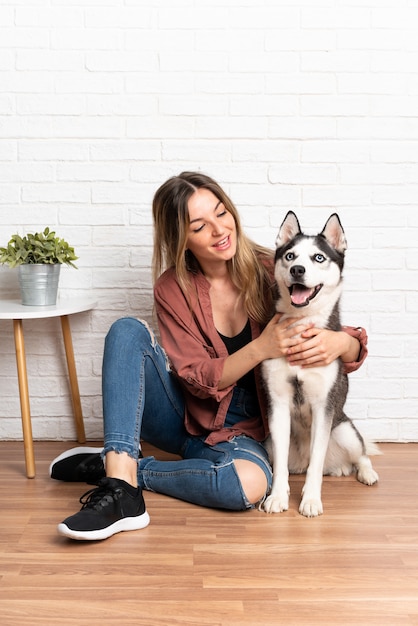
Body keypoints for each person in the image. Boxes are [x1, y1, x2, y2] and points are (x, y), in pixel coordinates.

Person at [50, 171, 368, 541]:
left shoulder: (276, 268)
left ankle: (123, 468)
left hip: (246, 429)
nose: (219, 230)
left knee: (247, 486)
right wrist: (261, 347)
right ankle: (121, 493)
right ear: (182, 238)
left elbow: (322, 318)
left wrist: (346, 345)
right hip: (186, 415)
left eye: (221, 212)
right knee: (126, 331)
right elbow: (196, 378)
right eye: (200, 226)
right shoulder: (172, 288)